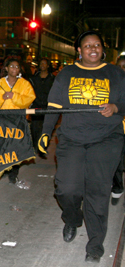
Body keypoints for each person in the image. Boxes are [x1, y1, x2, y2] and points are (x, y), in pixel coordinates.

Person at [38, 31, 125, 263]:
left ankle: (95, 245)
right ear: (79, 50)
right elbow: (54, 105)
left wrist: (116, 107)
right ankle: (72, 218)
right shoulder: (67, 74)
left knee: (97, 192)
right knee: (66, 189)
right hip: (72, 139)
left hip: (106, 140)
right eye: (87, 46)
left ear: (103, 48)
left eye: (97, 45)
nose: (93, 49)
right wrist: (46, 133)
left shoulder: (116, 73)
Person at [0, 58, 36, 184]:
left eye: (17, 67)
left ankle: (13, 173)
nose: (14, 69)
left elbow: (30, 99)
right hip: (2, 119)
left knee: (15, 147)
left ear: (19, 69)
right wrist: (2, 98)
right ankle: (3, 170)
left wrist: (14, 96)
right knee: (2, 146)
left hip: (18, 119)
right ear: (7, 68)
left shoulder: (24, 84)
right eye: (12, 66)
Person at [29, 58, 55, 157]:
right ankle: (35, 148)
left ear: (48, 65)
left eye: (44, 63)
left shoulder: (53, 79)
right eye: (41, 63)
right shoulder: (33, 79)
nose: (42, 65)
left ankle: (43, 147)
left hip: (48, 107)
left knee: (46, 128)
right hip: (36, 106)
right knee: (35, 128)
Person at [110, 55, 125, 205]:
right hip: (117, 129)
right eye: (119, 66)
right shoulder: (111, 85)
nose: (122, 70)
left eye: (124, 67)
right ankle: (117, 187)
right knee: (117, 160)